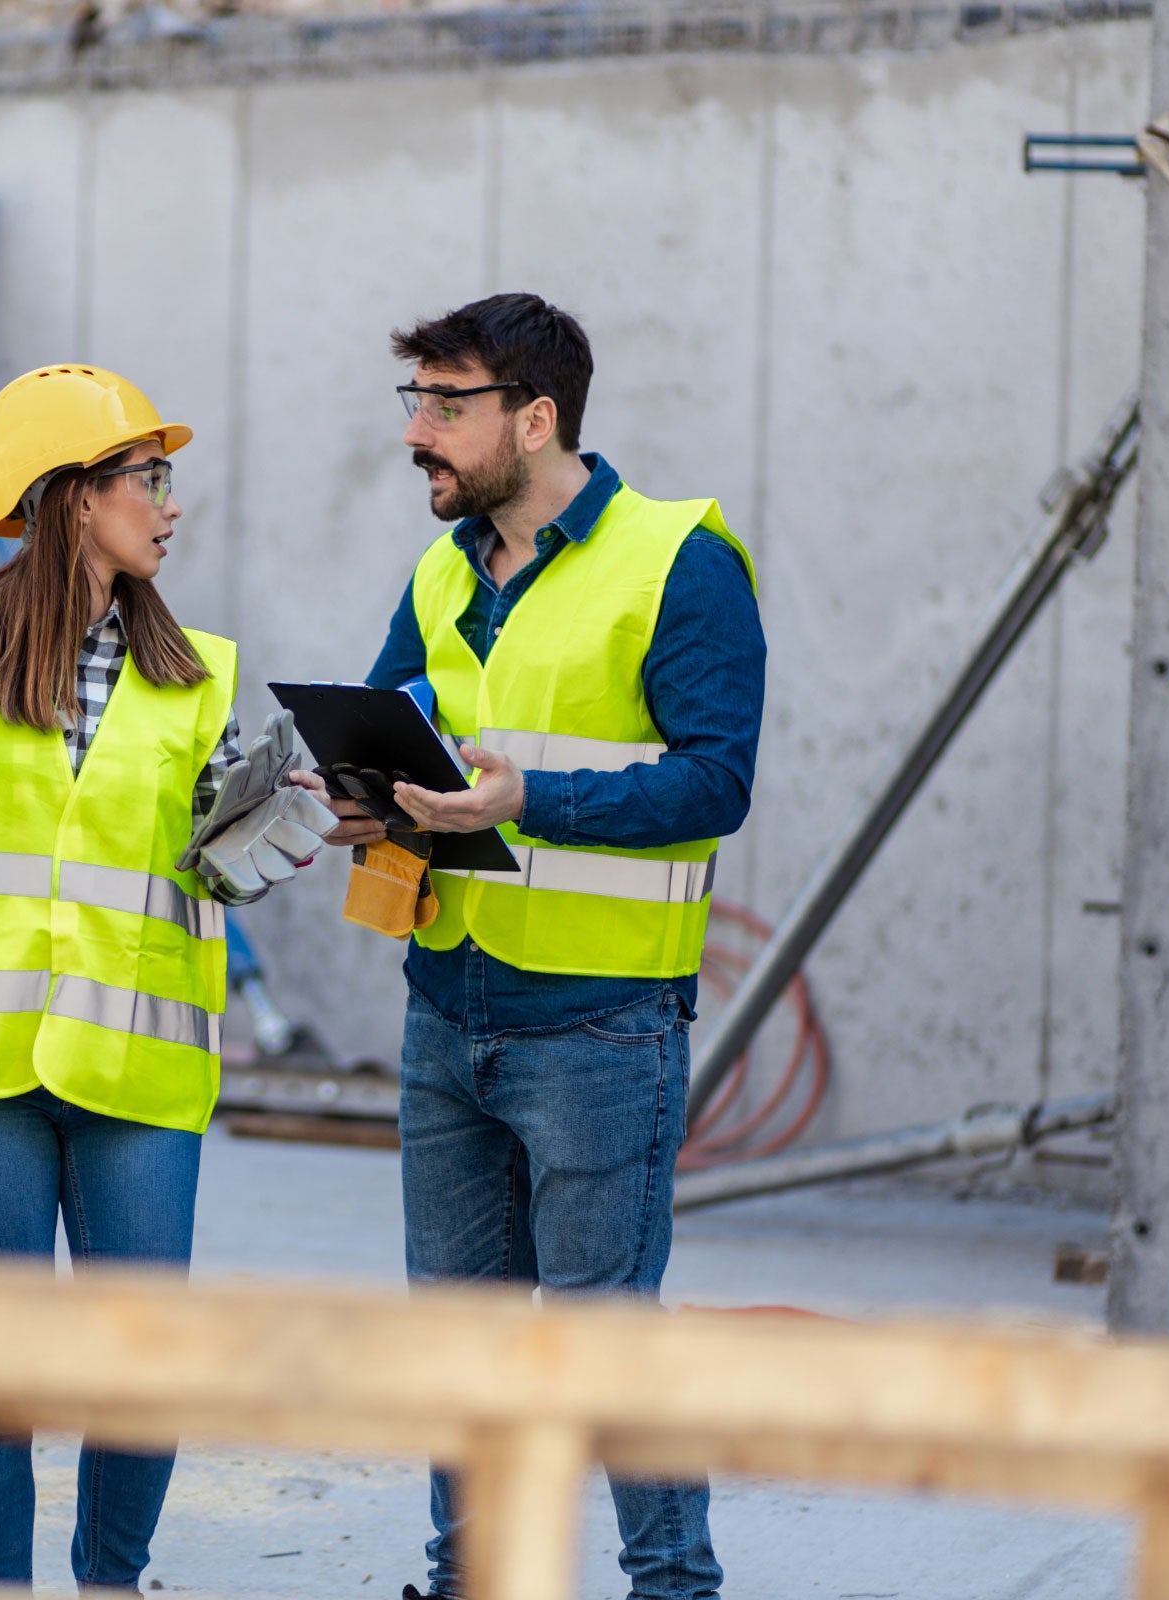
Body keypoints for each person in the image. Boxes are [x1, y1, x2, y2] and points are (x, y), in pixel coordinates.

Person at [0, 364, 331, 1591]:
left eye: (167, 479)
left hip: (141, 1076)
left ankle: (110, 1582)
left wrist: (269, 838)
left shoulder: (200, 672)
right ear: (69, 499)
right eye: (145, 479)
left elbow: (216, 863)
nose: (169, 505)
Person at [325, 295, 766, 1600]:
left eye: (445, 406)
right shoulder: (444, 570)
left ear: (535, 417)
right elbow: (389, 724)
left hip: (599, 1025)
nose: (419, 432)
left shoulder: (679, 561)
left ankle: (672, 1590)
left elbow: (715, 786)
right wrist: (358, 797)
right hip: (444, 1013)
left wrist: (530, 801)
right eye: (414, 403)